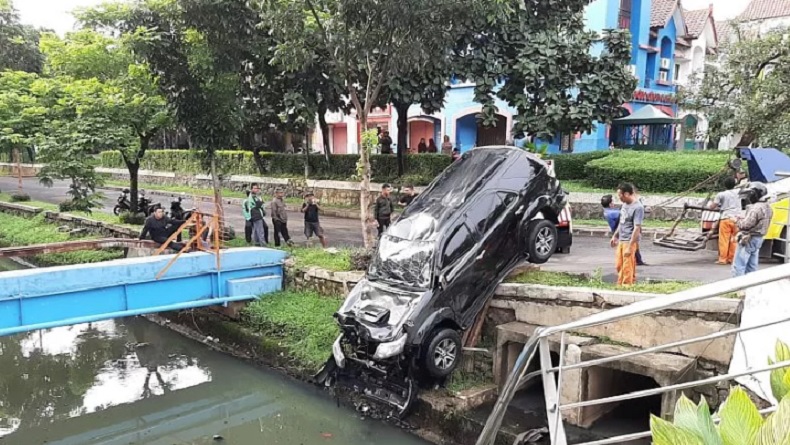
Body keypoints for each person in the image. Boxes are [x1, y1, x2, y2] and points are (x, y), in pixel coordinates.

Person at [732, 182, 773, 277]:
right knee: (752, 265)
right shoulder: (768, 207)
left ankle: (738, 287)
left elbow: (746, 225)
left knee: (739, 264)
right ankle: (751, 287)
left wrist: (736, 220)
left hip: (749, 238)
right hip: (759, 238)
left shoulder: (755, 208)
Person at [610, 183, 644, 286]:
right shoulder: (624, 205)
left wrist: (630, 246)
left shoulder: (638, 207)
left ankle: (627, 285)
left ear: (626, 194)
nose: (618, 198)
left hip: (629, 240)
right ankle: (620, 284)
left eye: (620, 195)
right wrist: (615, 235)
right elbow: (622, 222)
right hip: (621, 239)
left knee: (627, 266)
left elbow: (637, 228)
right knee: (619, 265)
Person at [602, 194, 645, 266]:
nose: (614, 203)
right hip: (621, 231)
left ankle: (638, 260)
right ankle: (635, 260)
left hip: (619, 231)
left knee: (633, 245)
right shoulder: (612, 213)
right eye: (613, 201)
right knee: (630, 245)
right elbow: (625, 213)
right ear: (610, 204)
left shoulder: (607, 211)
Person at [709, 177, 741, 265]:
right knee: (734, 239)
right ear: (734, 185)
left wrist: (711, 205)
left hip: (726, 218)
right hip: (737, 218)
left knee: (724, 239)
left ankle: (723, 259)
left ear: (724, 185)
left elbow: (712, 206)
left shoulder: (721, 194)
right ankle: (732, 259)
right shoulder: (739, 193)